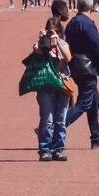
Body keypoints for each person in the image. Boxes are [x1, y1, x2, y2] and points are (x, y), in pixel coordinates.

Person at [63, 0, 99, 149]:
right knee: (84, 103)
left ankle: (96, 137)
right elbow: (98, 47)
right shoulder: (86, 23)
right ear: (91, 6)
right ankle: (53, 127)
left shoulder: (72, 22)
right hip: (86, 68)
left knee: (94, 102)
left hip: (75, 67)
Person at [31, 17, 72, 161]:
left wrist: (58, 42)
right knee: (47, 120)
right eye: (50, 31)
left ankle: (58, 149)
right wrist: (42, 40)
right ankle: (44, 149)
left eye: (56, 31)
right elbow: (36, 52)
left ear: (60, 32)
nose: (53, 34)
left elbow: (68, 58)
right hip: (46, 86)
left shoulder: (63, 43)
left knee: (60, 120)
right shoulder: (42, 44)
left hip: (61, 84)